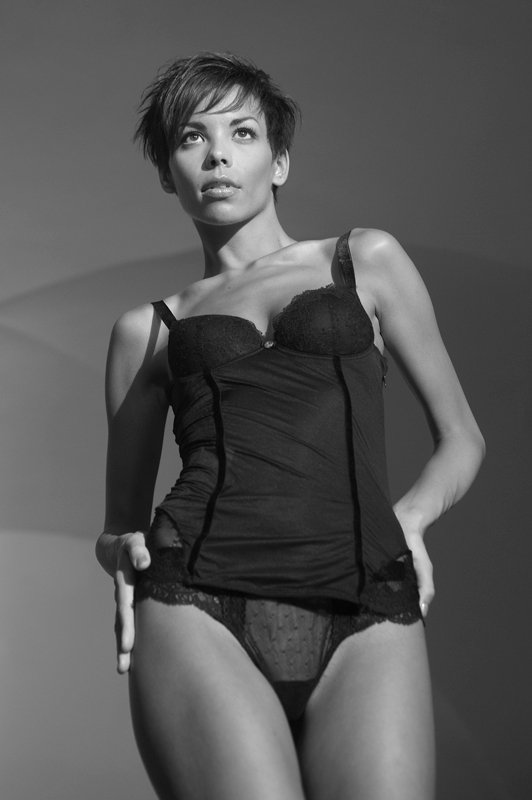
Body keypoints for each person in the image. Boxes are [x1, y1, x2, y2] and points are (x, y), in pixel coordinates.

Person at [95, 52, 485, 800]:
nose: (217, 155)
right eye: (192, 138)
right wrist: (121, 550)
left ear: (278, 163)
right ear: (167, 173)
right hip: (195, 600)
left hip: (368, 598)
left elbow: (462, 438)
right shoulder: (146, 330)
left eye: (241, 133)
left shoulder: (364, 260)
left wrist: (408, 520)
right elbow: (118, 525)